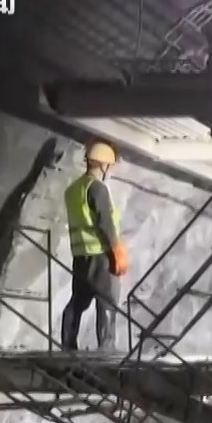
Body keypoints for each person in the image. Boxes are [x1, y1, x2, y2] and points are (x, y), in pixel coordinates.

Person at [60, 141, 128, 352]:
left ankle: (68, 346)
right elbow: (105, 221)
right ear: (104, 165)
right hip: (101, 256)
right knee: (107, 302)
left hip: (80, 257)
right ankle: (106, 349)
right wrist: (116, 250)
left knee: (78, 301)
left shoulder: (73, 190)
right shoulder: (97, 188)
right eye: (110, 165)